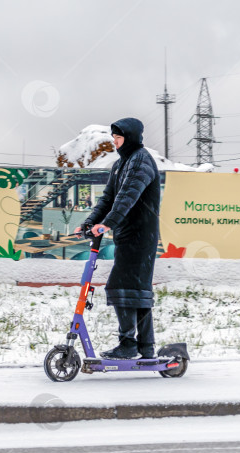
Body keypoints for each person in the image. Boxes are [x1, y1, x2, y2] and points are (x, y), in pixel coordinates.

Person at [73, 117, 160, 359]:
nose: (115, 142)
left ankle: (128, 344)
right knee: (137, 291)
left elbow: (127, 198)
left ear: (130, 138)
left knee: (121, 287)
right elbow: (108, 199)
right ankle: (146, 347)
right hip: (128, 236)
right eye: (114, 138)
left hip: (141, 237)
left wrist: (107, 224)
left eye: (119, 138)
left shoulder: (141, 161)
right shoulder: (120, 165)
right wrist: (90, 223)